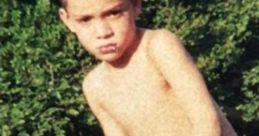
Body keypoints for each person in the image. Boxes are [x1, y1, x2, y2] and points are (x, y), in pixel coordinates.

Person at [58, 0, 238, 135]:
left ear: (136, 5)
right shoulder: (94, 85)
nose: (103, 32)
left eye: (114, 13)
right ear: (67, 20)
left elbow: (206, 119)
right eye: (85, 19)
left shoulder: (157, 46)